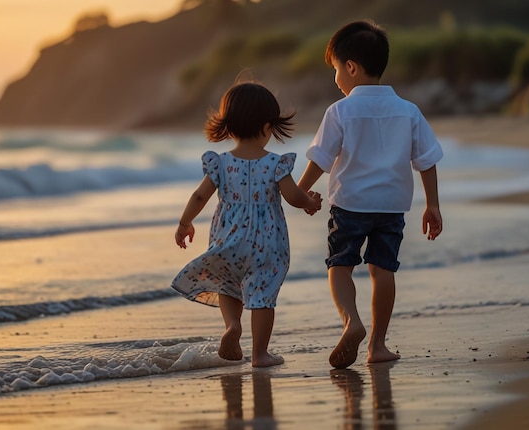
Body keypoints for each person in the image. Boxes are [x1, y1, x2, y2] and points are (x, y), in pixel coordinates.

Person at [298, 20, 443, 369]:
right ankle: (377, 345)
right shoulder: (408, 110)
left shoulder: (341, 110)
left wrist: (300, 192)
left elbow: (320, 158)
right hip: (392, 206)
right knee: (383, 270)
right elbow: (426, 160)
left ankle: (352, 321)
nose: (336, 78)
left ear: (351, 67)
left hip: (350, 204)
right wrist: (433, 205)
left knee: (340, 265)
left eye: (335, 69)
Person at [172, 82, 323, 368]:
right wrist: (311, 202)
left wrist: (185, 222)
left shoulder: (220, 164)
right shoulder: (276, 164)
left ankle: (232, 327)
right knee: (262, 295)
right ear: (268, 127)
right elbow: (293, 197)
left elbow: (200, 195)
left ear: (228, 127)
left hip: (228, 239)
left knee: (228, 285)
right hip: (266, 243)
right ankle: (260, 354)